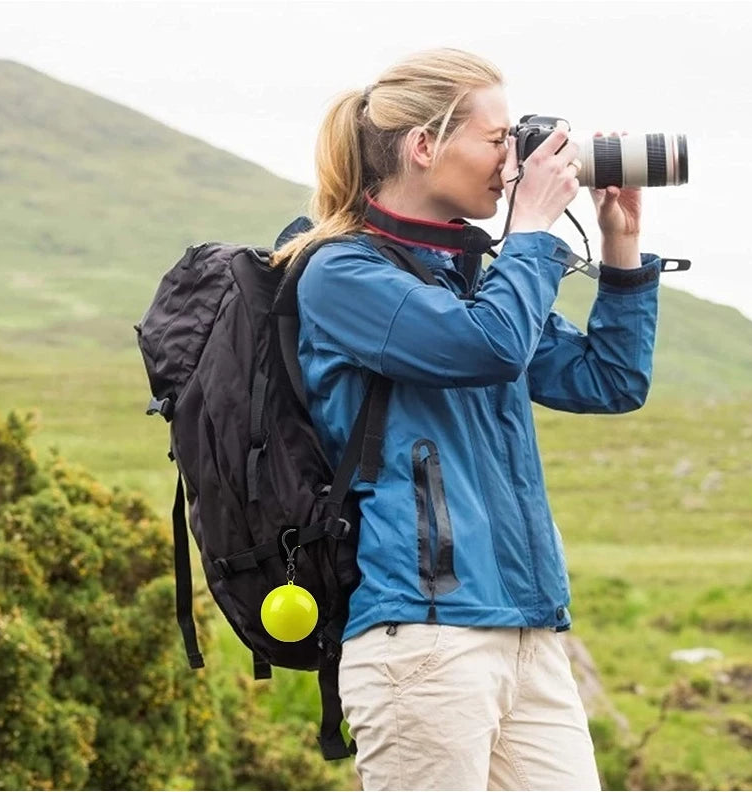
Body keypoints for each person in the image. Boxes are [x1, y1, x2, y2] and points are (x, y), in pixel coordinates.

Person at [273, 48, 660, 791]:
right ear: (424, 147)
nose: (513, 158)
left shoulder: (473, 280)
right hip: (423, 638)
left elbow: (606, 381)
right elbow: (485, 347)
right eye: (497, 138)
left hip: (527, 631)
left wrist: (620, 245)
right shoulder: (344, 273)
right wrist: (533, 231)